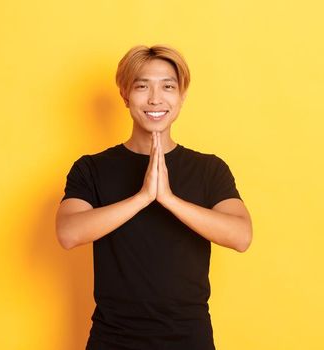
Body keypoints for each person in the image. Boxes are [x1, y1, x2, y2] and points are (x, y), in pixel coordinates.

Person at [56, 45, 253, 350]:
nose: (155, 98)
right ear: (125, 95)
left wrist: (169, 199)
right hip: (113, 339)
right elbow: (68, 233)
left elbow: (241, 236)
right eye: (142, 86)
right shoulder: (91, 168)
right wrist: (143, 196)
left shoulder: (209, 169)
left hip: (189, 339)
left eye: (168, 87)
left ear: (182, 98)